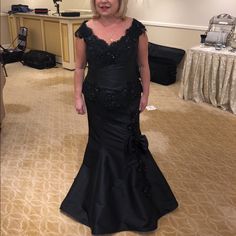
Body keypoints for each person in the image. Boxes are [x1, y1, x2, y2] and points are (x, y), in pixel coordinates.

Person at [60, 0, 178, 234]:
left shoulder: (137, 29)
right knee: (102, 149)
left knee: (126, 148)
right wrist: (77, 96)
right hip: (97, 100)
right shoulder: (84, 29)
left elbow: (144, 66)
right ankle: (103, 205)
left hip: (127, 100)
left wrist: (146, 94)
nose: (104, 1)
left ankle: (132, 205)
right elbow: (80, 67)